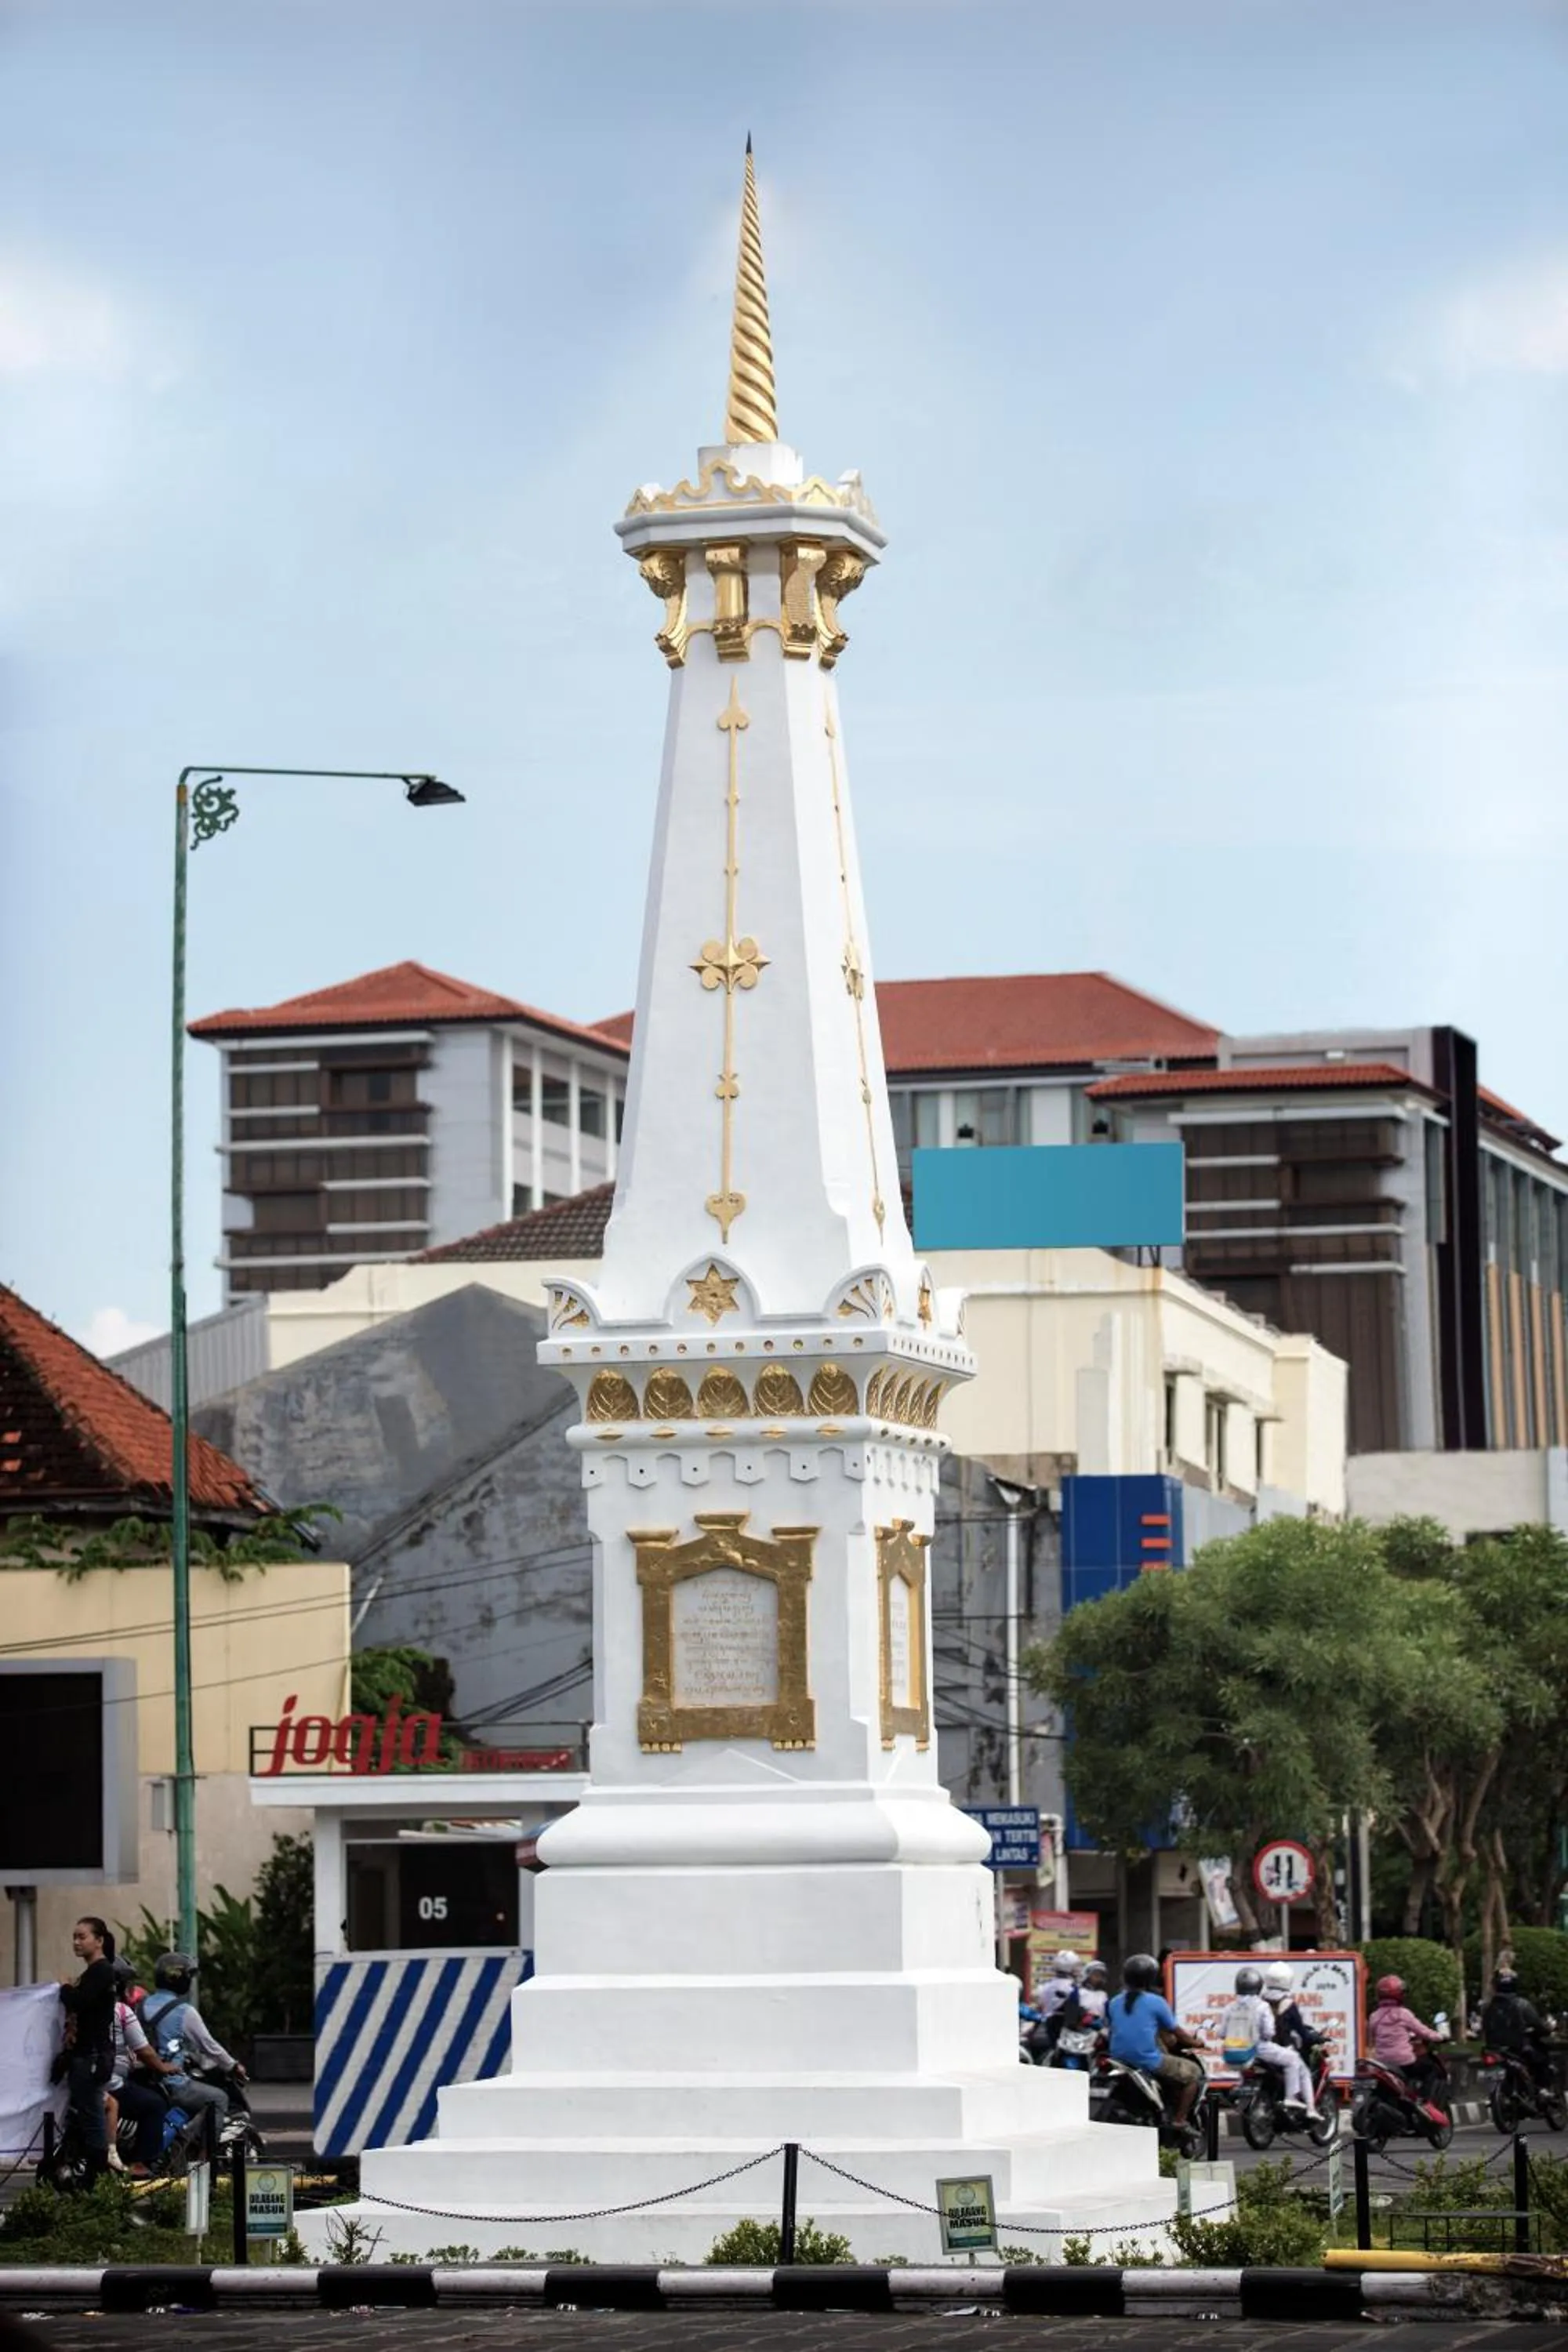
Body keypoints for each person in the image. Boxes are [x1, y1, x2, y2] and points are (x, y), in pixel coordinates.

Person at [140, 1953, 246, 2143]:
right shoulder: (183, 2011)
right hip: (172, 2084)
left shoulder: (140, 2006)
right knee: (219, 2098)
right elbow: (209, 2046)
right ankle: (205, 2157)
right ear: (179, 1979)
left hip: (143, 2080)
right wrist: (233, 2066)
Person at [1105, 1952, 1205, 2126]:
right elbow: (1177, 2033)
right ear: (1151, 1978)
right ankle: (1180, 2120)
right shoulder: (1156, 2002)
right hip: (1146, 2059)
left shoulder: (1114, 2002)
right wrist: (1196, 2042)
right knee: (1193, 2074)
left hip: (1118, 2059)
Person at [56, 1917, 117, 2180]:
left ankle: (96, 2183)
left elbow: (79, 2001)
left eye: (82, 1937)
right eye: (74, 1937)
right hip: (83, 2054)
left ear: (99, 1940)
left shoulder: (102, 1971)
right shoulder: (93, 1972)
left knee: (93, 2119)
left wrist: (65, 1988)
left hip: (91, 2056)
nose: (76, 1942)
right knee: (85, 2116)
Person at [1220, 1964, 1317, 2118]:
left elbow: (1222, 2033)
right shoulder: (1262, 2005)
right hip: (1260, 2048)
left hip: (1231, 2053)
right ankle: (1291, 2098)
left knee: (1248, 2065)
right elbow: (1269, 2032)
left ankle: (1242, 2087)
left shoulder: (1230, 2007)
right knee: (1294, 2059)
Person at [104, 1962, 174, 2176]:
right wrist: (163, 2067)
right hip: (109, 2082)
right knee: (154, 2105)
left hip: (85, 2078)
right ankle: (141, 2163)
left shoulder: (86, 2006)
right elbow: (144, 2050)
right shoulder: (121, 2011)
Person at [1368, 1973, 1446, 2114]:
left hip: (1382, 2063)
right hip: (1404, 2062)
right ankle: (1424, 2102)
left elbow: (1372, 2038)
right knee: (1432, 2069)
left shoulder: (1374, 2016)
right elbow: (1423, 2032)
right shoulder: (1403, 2014)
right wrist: (1440, 2036)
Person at [1482, 1969, 1555, 2094]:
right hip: (1518, 2050)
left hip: (1494, 2049)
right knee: (1542, 2058)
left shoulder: (1488, 2006)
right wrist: (1545, 2030)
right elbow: (1537, 2025)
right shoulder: (1522, 2004)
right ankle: (1543, 2090)